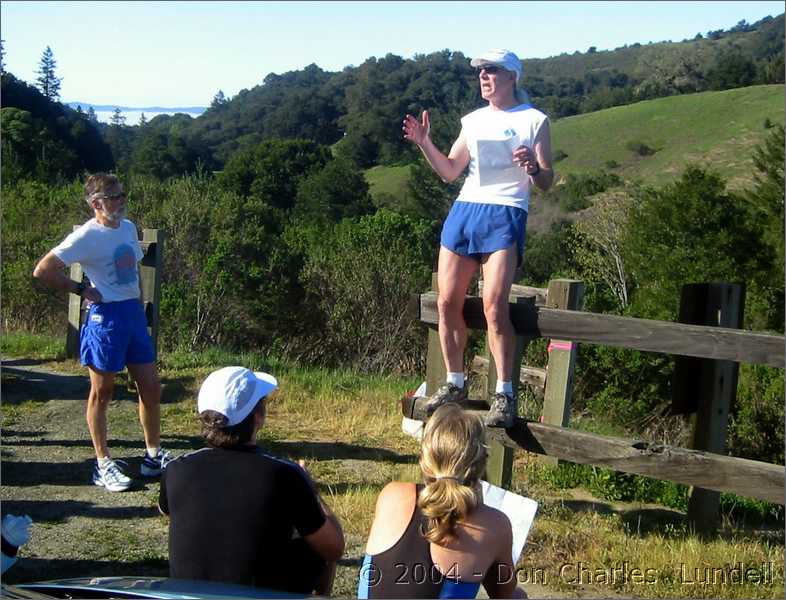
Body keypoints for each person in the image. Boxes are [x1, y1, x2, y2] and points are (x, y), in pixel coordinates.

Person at [403, 49, 554, 428]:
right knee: (447, 302)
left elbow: (547, 181)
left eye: (492, 70)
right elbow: (450, 171)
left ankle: (504, 392)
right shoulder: (472, 121)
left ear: (512, 77)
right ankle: (454, 382)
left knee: (493, 307)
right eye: (481, 71)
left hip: (506, 212)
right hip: (465, 211)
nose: (484, 76)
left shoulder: (534, 120)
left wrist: (533, 168)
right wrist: (425, 143)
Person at [32, 173, 167, 492]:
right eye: (114, 197)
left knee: (150, 387)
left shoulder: (129, 227)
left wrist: (133, 300)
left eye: (122, 196)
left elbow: (132, 266)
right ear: (96, 203)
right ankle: (103, 462)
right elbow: (43, 270)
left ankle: (153, 456)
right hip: (105, 319)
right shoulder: (85, 237)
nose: (121, 202)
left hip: (132, 314)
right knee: (102, 392)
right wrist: (80, 288)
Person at [158, 366, 344, 595]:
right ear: (258, 417)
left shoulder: (175, 468)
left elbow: (171, 513)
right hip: (258, 594)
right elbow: (334, 549)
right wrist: (311, 489)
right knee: (318, 540)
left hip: (188, 594)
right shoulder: (286, 473)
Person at [358, 403, 523, 598]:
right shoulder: (495, 524)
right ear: (481, 462)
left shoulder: (391, 495)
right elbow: (504, 593)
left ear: (425, 458)